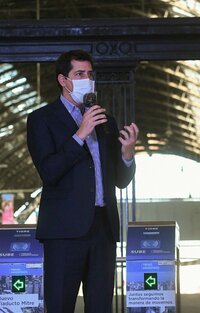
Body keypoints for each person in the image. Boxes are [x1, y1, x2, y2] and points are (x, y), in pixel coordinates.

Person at [27, 50, 139, 313]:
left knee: (100, 306)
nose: (87, 80)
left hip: (103, 228)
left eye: (90, 74)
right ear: (63, 80)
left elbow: (120, 181)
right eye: (79, 74)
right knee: (60, 305)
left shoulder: (105, 121)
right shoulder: (42, 119)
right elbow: (49, 171)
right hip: (64, 232)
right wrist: (80, 135)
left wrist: (127, 154)